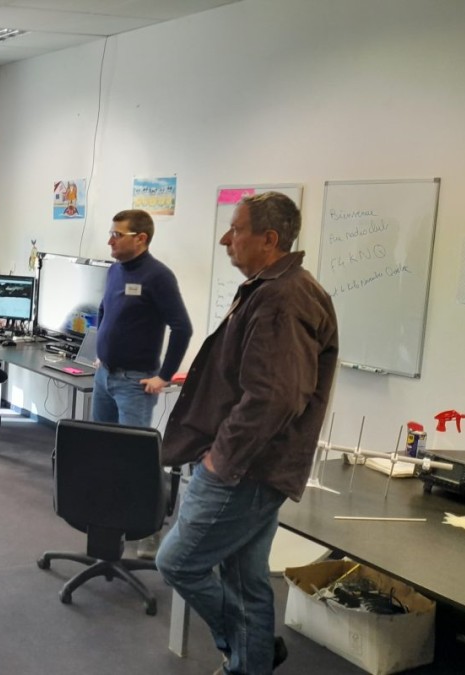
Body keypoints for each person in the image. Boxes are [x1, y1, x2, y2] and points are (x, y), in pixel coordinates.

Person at [155, 192, 338, 675]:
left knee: (177, 562)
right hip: (254, 467)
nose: (225, 239)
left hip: (243, 470)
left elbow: (273, 396)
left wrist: (221, 459)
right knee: (245, 580)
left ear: (269, 239)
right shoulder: (272, 288)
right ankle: (251, 660)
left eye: (236, 229)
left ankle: (248, 646)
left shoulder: (283, 298)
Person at [92, 208, 192, 428]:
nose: (110, 241)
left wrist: (164, 376)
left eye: (117, 235)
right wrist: (101, 354)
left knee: (131, 446)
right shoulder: (114, 270)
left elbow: (182, 328)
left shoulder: (158, 276)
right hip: (104, 374)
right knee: (99, 441)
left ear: (141, 238)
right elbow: (103, 310)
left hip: (134, 383)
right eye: (111, 234)